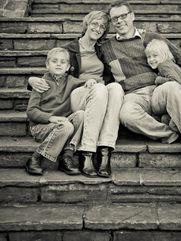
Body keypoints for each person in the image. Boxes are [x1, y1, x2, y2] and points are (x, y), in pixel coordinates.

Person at [100, 0, 181, 180]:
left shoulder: (150, 38)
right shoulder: (107, 47)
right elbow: (91, 63)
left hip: (159, 90)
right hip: (133, 96)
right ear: (111, 22)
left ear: (132, 16)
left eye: (123, 16)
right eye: (114, 18)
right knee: (125, 115)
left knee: (172, 86)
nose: (119, 21)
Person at [28, 11, 124, 178]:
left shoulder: (103, 50)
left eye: (102, 26)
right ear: (86, 24)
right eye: (94, 23)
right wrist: (29, 80)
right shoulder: (69, 50)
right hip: (77, 95)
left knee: (115, 88)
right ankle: (87, 151)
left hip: (97, 93)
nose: (98, 28)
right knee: (100, 89)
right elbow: (53, 72)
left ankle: (105, 150)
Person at [26, 47, 84, 176]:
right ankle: (36, 158)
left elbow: (86, 84)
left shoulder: (72, 81)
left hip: (63, 124)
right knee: (67, 126)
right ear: (47, 64)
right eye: (54, 61)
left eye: (63, 62)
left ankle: (67, 155)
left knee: (81, 115)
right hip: (41, 127)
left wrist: (91, 82)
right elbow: (31, 111)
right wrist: (50, 118)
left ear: (68, 67)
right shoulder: (40, 83)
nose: (59, 64)